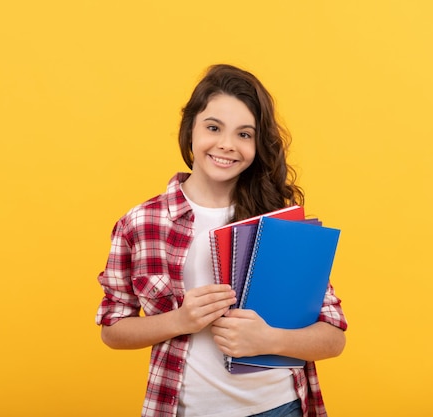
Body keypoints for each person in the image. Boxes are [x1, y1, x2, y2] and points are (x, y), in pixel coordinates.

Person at [95, 64, 347, 417]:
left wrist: (269, 340)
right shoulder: (141, 222)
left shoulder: (283, 222)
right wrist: (180, 320)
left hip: (279, 407)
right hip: (187, 409)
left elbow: (333, 338)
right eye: (213, 128)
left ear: (258, 144)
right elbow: (113, 329)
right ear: (190, 130)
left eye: (245, 134)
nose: (227, 145)